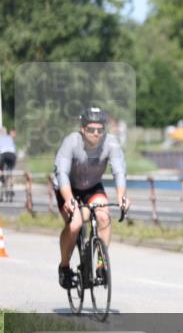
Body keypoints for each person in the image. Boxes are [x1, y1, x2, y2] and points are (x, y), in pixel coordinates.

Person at [54, 107, 129, 289]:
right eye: (91, 129)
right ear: (83, 129)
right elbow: (62, 173)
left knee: (104, 216)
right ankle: (64, 267)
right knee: (75, 224)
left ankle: (100, 264)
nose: (96, 133)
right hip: (68, 188)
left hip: (92, 187)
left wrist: (121, 197)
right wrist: (69, 199)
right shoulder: (71, 142)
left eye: (100, 130)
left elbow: (119, 171)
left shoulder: (111, 144)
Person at [0, 128, 17, 197]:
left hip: (3, 154)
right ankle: (10, 186)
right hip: (12, 155)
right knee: (10, 171)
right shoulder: (10, 137)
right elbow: (14, 148)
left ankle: (1, 180)